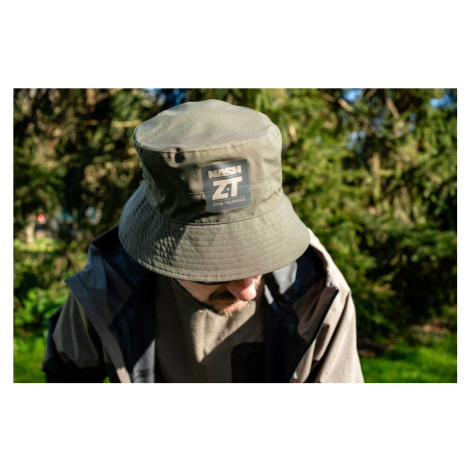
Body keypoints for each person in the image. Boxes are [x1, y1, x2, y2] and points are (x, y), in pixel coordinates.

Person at [42, 99, 364, 383]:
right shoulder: (107, 284)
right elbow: (65, 376)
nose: (248, 291)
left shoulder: (318, 293)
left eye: (261, 258)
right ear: (156, 244)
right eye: (218, 267)